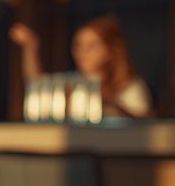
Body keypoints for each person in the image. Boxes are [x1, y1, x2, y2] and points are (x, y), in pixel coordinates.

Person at [9, 15, 152, 118]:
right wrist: (31, 47)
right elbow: (38, 83)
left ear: (110, 51)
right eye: (78, 45)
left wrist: (108, 101)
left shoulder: (131, 86)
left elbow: (145, 125)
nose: (82, 52)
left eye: (91, 46)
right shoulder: (72, 82)